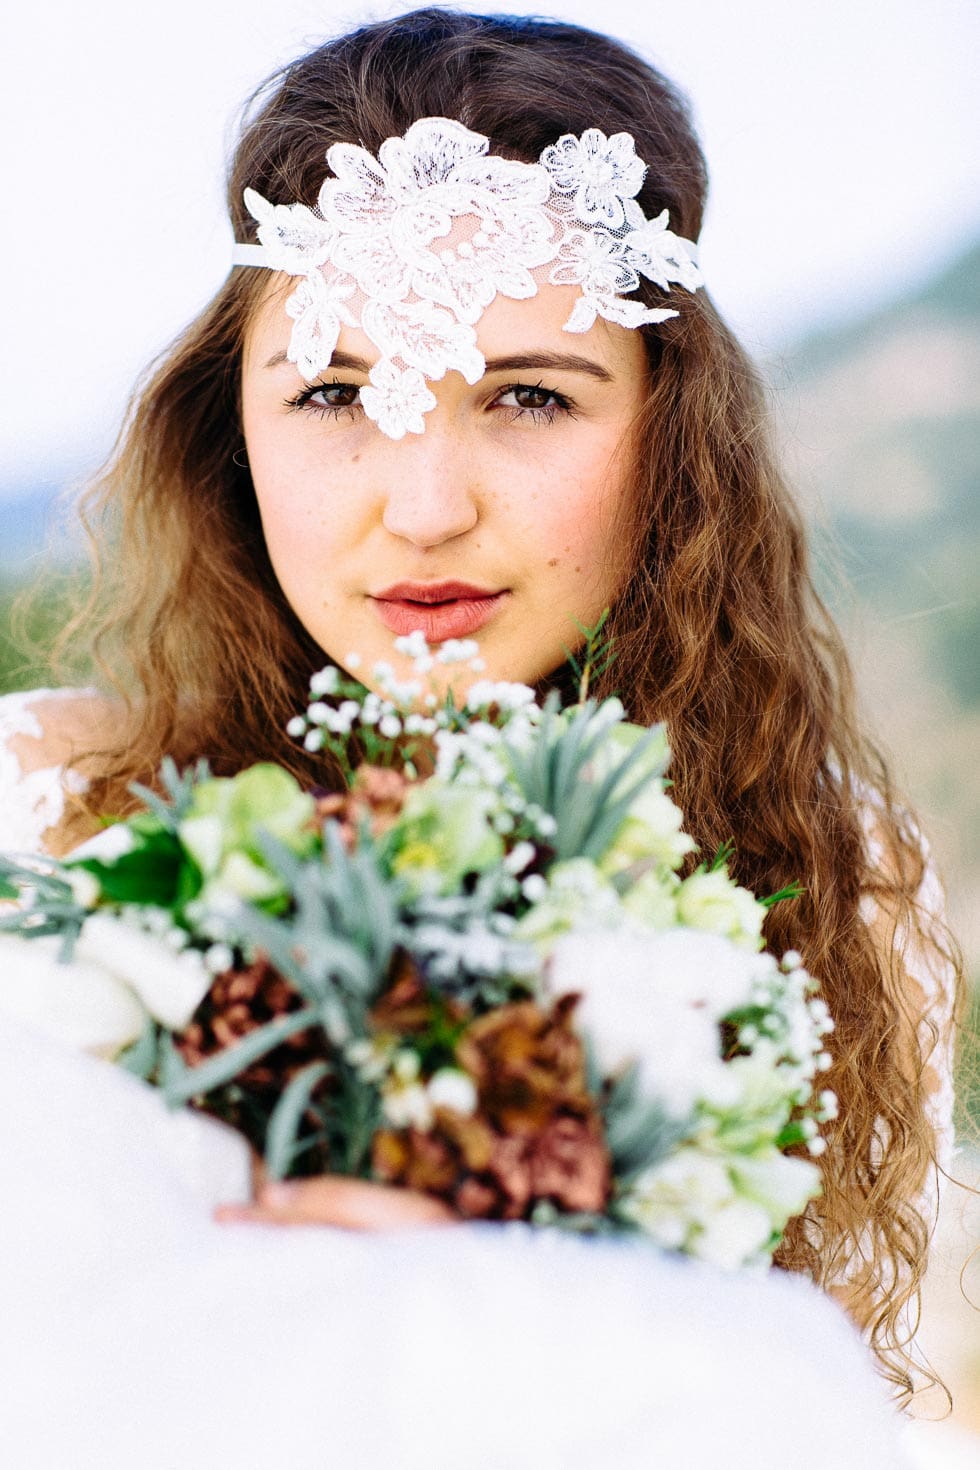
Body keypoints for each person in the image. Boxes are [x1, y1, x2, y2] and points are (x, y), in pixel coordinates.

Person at [0, 6, 959, 1409]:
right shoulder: (42, 812)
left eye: (528, 398)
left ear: (673, 433)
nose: (427, 508)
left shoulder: (838, 887)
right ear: (231, 428)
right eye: (337, 392)